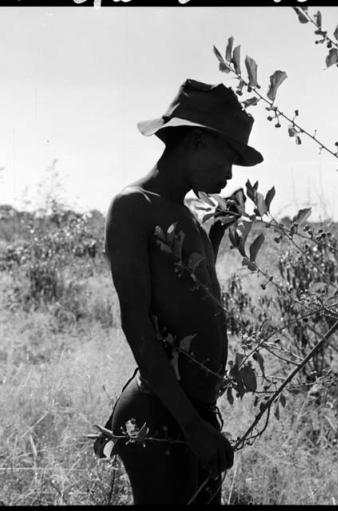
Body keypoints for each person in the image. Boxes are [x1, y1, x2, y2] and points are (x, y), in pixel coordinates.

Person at [101, 78, 263, 505]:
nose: (230, 173)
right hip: (162, 412)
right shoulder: (133, 205)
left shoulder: (184, 214)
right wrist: (190, 425)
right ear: (195, 141)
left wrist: (215, 235)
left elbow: (184, 285)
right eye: (228, 158)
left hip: (193, 412)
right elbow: (136, 321)